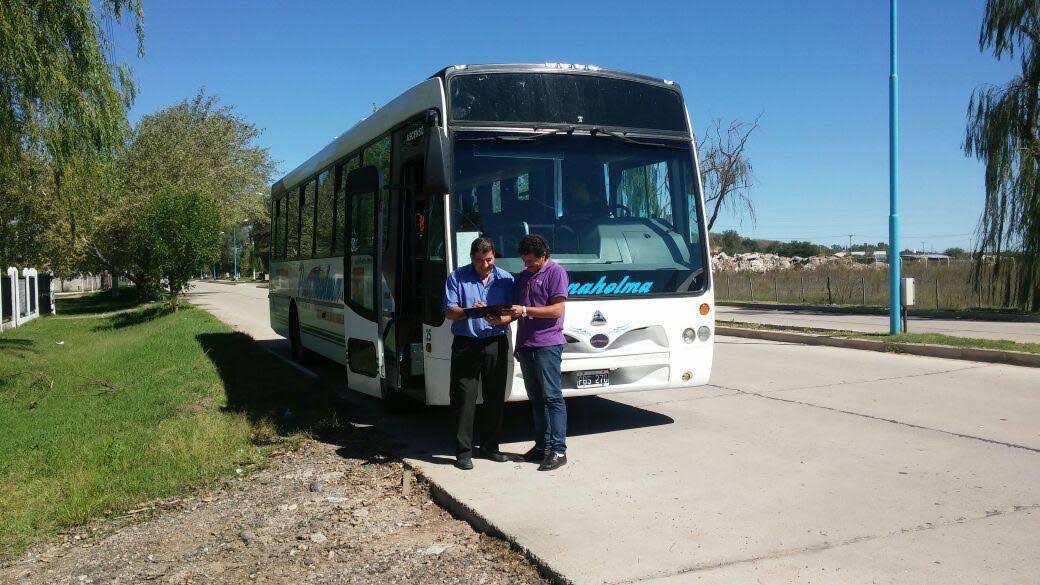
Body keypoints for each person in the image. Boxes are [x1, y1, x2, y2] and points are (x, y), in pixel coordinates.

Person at [443, 236, 515, 470]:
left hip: (496, 341)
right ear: (471, 259)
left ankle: (490, 447)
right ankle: (463, 452)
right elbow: (449, 312)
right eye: (479, 261)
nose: (484, 265)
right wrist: (468, 312)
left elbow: (515, 312)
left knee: (495, 395)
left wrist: (503, 317)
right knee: (464, 397)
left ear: (494, 256)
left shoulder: (506, 279)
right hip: (467, 343)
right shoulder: (457, 277)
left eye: (489, 260)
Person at [509, 234, 570, 471]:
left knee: (552, 397)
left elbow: (556, 310)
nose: (527, 265)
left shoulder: (556, 273)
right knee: (536, 399)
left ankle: (558, 449)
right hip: (526, 345)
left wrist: (525, 310)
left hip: (547, 345)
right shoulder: (523, 276)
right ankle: (542, 446)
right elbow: (514, 310)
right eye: (524, 261)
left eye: (531, 261)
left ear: (544, 256)